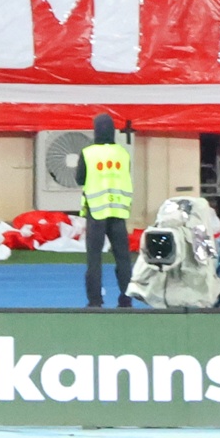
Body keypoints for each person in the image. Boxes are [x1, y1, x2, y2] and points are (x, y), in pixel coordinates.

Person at [74, 110, 134, 309]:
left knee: (94, 259)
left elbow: (80, 179)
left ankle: (95, 301)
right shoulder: (123, 154)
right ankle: (126, 299)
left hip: (96, 212)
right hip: (118, 211)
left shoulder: (88, 153)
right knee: (123, 258)